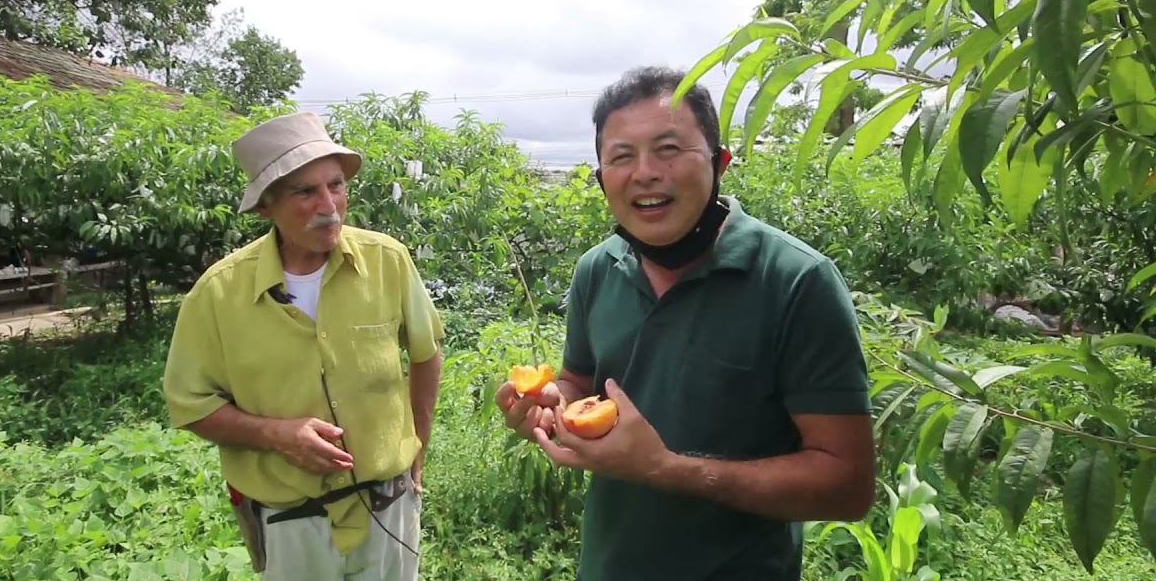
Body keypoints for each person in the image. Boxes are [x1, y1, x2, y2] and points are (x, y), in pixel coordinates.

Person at [495, 66, 875, 580]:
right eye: (621, 157)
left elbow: (847, 486)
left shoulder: (796, 282)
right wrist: (548, 406)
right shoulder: (597, 270)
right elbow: (578, 383)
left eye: (669, 149)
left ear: (720, 163)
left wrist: (665, 469)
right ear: (601, 175)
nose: (645, 172)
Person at [163, 111, 444, 581]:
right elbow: (191, 405)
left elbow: (425, 350)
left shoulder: (386, 261)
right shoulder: (219, 293)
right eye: (305, 191)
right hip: (291, 524)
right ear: (264, 208)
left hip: (388, 507)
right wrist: (276, 434)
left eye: (335, 185)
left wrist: (419, 444)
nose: (329, 206)